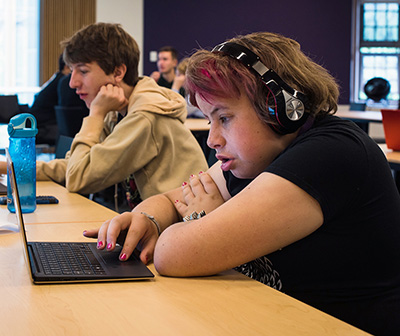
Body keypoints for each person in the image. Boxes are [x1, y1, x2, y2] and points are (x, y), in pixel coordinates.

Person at [84, 32, 400, 335]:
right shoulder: (254, 158)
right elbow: (170, 200)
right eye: (210, 120)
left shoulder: (331, 153)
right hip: (270, 319)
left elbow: (172, 255)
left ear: (279, 108)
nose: (212, 139)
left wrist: (199, 219)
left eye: (224, 117)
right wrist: (147, 219)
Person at [0, 23, 208, 210]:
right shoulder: (121, 111)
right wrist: (13, 168)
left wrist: (96, 113)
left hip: (183, 232)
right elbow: (75, 165)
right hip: (159, 226)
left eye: (82, 71)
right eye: (72, 71)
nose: (72, 83)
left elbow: (78, 177)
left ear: (118, 73)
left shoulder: (145, 116)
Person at [29, 54, 70, 145]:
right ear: (67, 66)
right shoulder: (64, 82)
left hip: (36, 125)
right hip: (43, 128)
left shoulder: (56, 78)